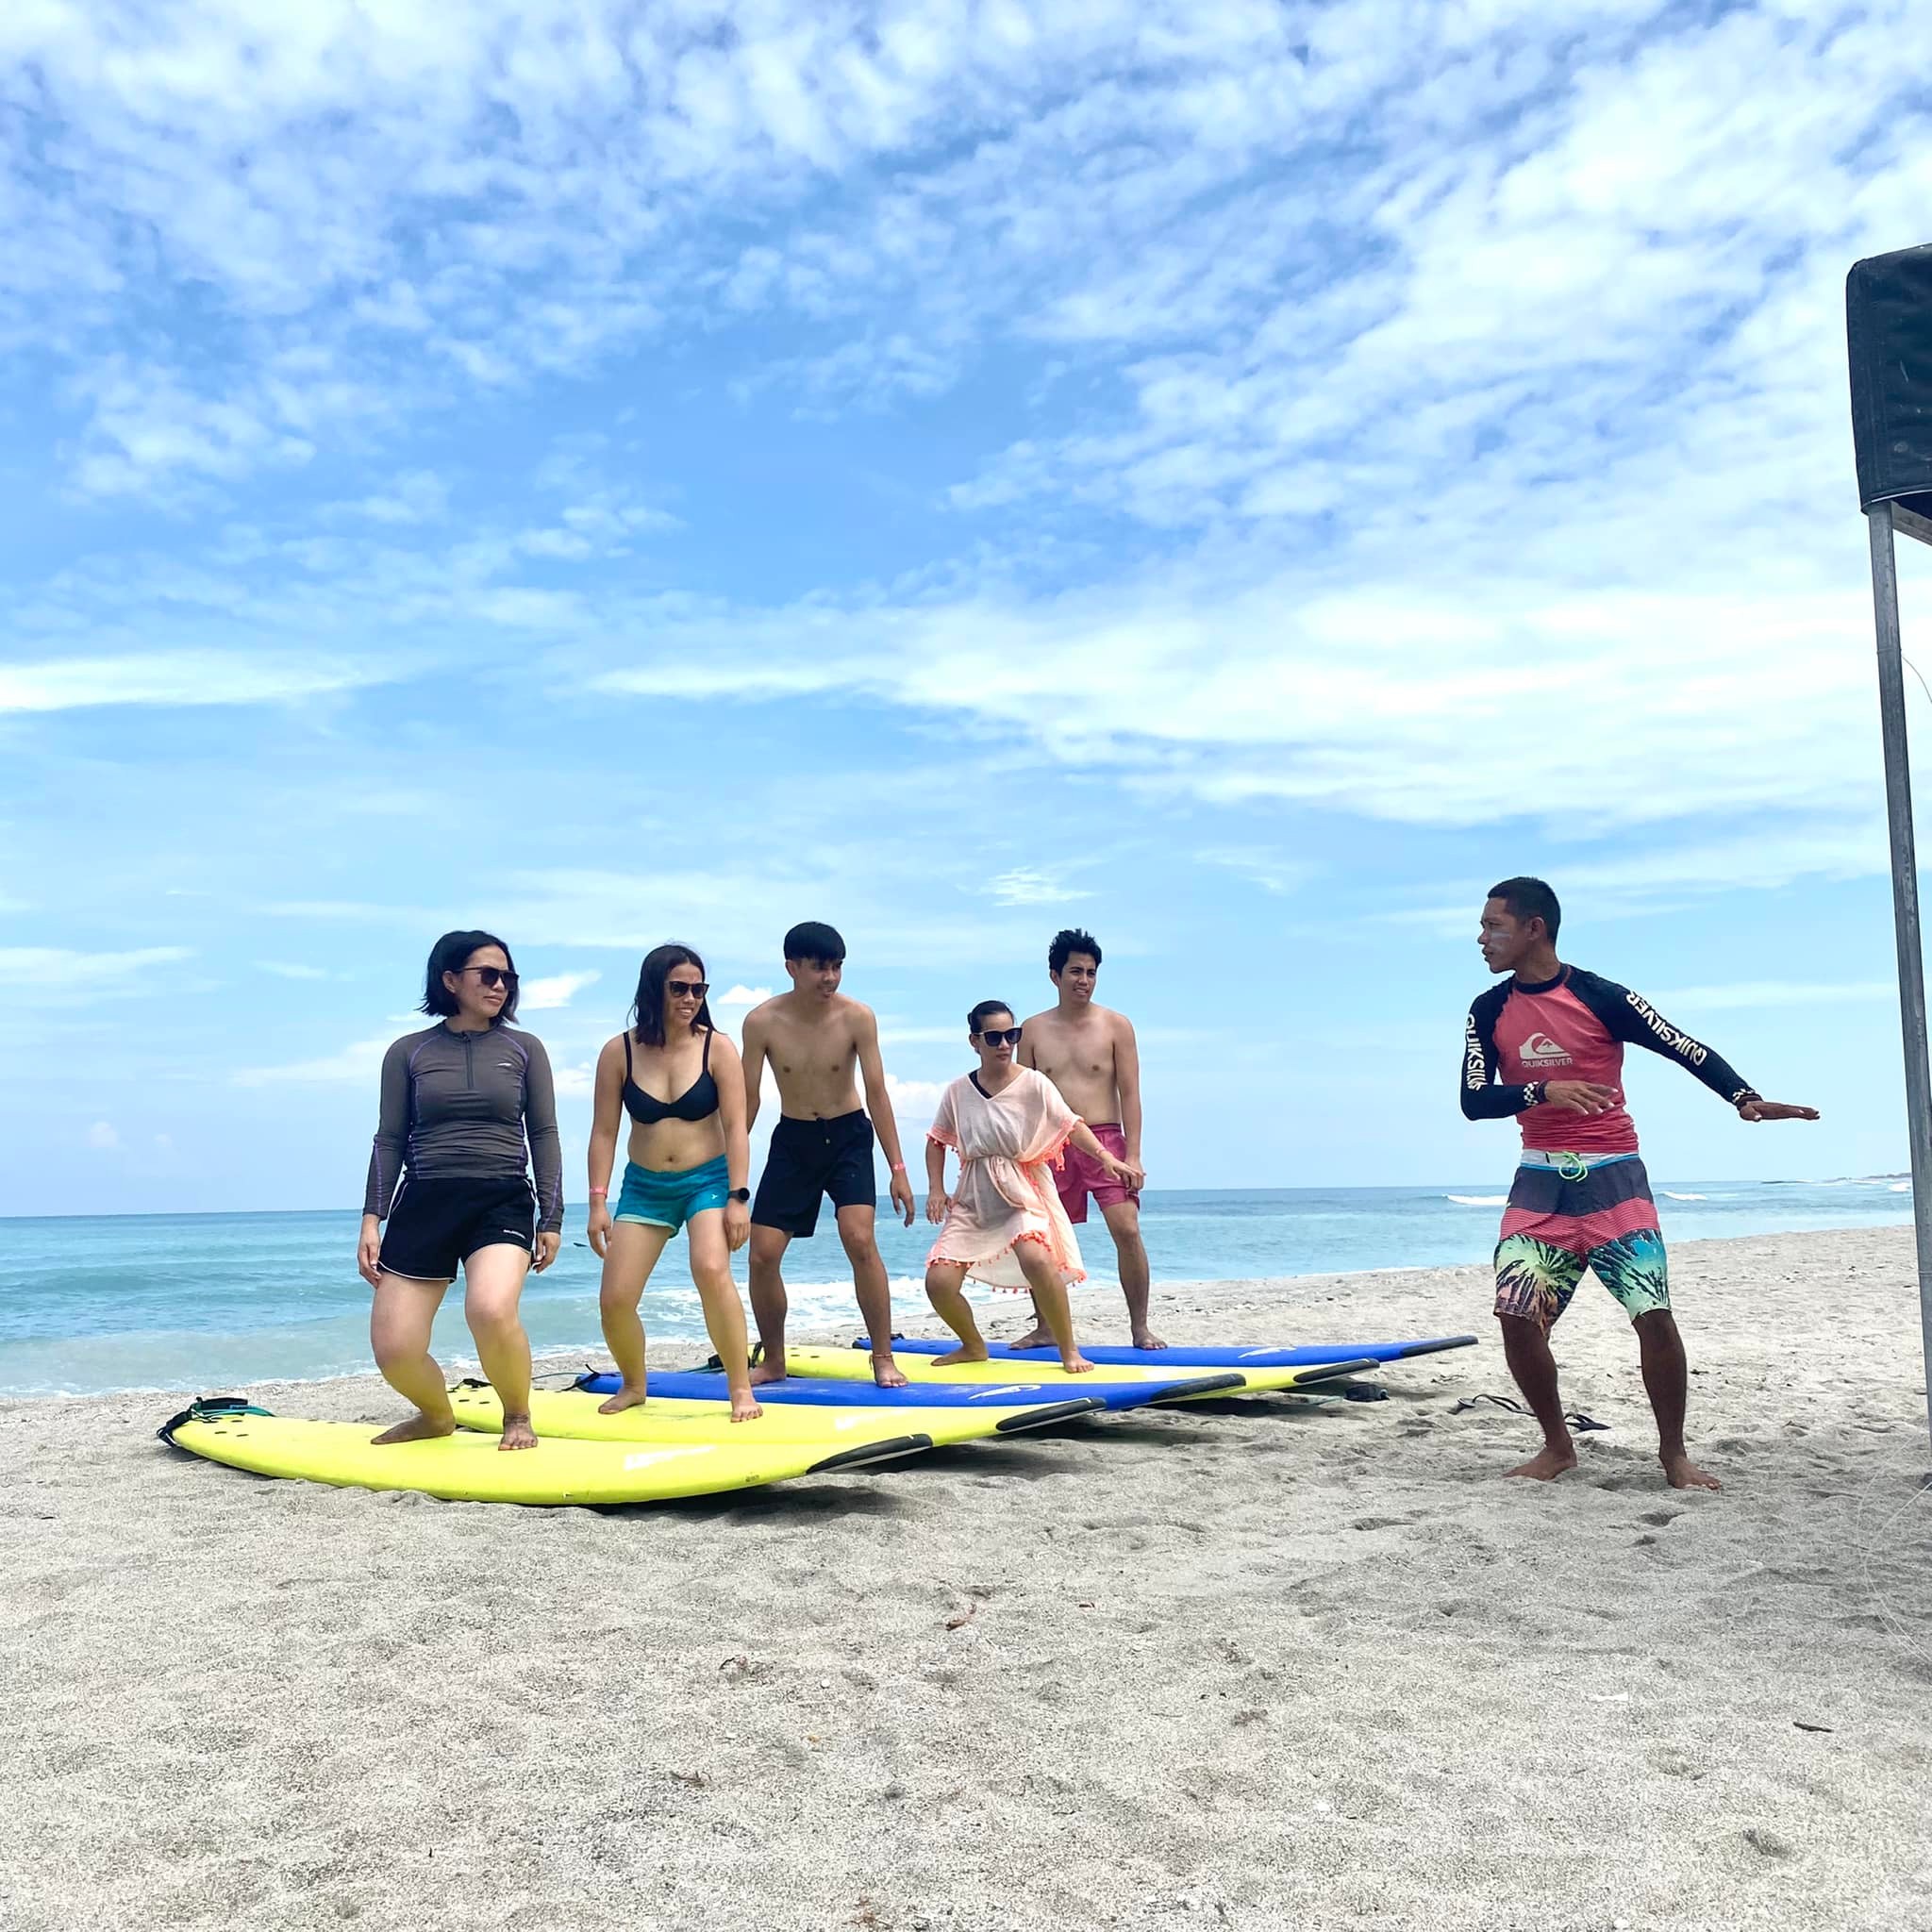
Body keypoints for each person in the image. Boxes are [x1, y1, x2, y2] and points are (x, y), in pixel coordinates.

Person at [1462, 877, 1819, 1490]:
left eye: (1493, 926)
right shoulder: (1488, 1009)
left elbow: (1684, 1047)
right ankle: (1557, 1446)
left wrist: (1744, 1097)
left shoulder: (1602, 996)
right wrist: (1543, 1090)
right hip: (1539, 1183)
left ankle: (1673, 1455)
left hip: (1615, 1181)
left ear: (1533, 929)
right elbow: (1473, 1099)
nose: (1481, 938)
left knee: (1652, 1314)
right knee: (1515, 1314)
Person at [358, 930, 562, 1450]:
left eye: (508, 977)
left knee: (490, 1310)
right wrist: (370, 1219)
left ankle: (517, 1414)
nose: (501, 986)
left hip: (501, 1197)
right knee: (394, 1348)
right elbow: (390, 1138)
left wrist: (552, 1218)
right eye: (488, 975)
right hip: (425, 1199)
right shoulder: (408, 1051)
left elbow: (543, 1133)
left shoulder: (525, 1048)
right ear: (450, 980)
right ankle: (435, 1415)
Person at [585, 945, 761, 1423]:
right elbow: (604, 1131)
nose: (690, 998)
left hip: (706, 1179)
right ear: (653, 989)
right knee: (616, 1298)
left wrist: (738, 1197)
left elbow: (737, 1127)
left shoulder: (717, 1047)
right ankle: (635, 1385)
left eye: (698, 989)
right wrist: (598, 1201)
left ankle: (740, 1387)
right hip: (644, 1186)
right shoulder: (618, 1051)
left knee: (710, 1269)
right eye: (678, 988)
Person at [741, 922, 918, 1388]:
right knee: (762, 1255)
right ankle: (774, 1359)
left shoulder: (858, 1017)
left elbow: (877, 1092)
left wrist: (898, 1169)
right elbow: (749, 1098)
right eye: (821, 968)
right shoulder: (761, 1022)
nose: (831, 978)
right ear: (791, 967)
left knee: (858, 1237)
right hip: (793, 1139)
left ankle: (883, 1356)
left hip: (848, 1137)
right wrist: (730, 1170)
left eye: (837, 967)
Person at [924, 1001, 1143, 1374]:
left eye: (1012, 1035)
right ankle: (973, 1345)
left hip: (1021, 1188)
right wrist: (935, 1189)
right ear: (975, 1041)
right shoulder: (958, 1091)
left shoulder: (1033, 1083)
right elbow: (936, 1140)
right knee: (939, 1282)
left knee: (1037, 1258)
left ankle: (1068, 1349)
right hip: (975, 1195)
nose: (1005, 1044)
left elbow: (1071, 1124)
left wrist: (1108, 1158)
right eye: (994, 1037)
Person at [1019, 926, 1160, 1347]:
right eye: (1075, 971)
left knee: (1127, 1228)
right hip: (1050, 1144)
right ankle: (1046, 1326)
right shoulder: (1032, 1030)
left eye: (1091, 972)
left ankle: (1139, 1326)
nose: (1084, 980)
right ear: (1054, 975)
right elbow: (1024, 1099)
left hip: (1105, 1139)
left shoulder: (1116, 1026)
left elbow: (1130, 1093)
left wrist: (1133, 1154)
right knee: (1041, 1236)